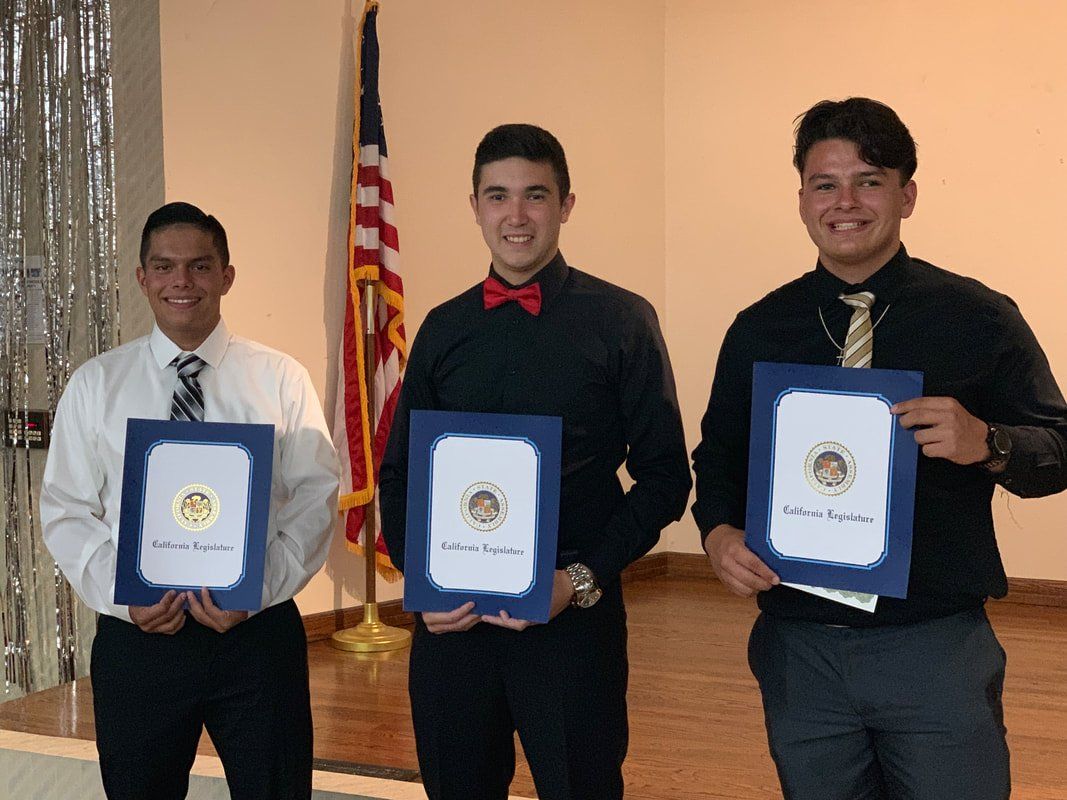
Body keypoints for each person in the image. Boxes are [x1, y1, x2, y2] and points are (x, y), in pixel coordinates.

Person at [692, 96, 1067, 799]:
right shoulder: (759, 328)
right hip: (798, 644)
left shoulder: (978, 317)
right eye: (823, 183)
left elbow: (1059, 448)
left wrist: (987, 442)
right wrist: (715, 535)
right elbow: (717, 457)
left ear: (907, 194)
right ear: (801, 198)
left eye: (868, 180)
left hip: (932, 645)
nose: (845, 202)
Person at [379, 123, 691, 800]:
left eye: (534, 196)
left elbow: (666, 476)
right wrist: (422, 583)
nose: (514, 216)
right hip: (451, 626)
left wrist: (578, 578)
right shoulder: (442, 327)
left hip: (569, 619)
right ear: (474, 206)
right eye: (497, 196)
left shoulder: (621, 321)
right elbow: (401, 472)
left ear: (566, 204)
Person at [40, 202, 340, 800]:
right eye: (165, 266)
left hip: (255, 636)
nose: (182, 282)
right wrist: (126, 600)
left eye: (200, 266)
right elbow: (67, 510)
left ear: (227, 276)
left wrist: (254, 591)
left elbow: (315, 499)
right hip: (141, 641)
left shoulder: (281, 378)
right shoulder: (96, 384)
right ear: (143, 278)